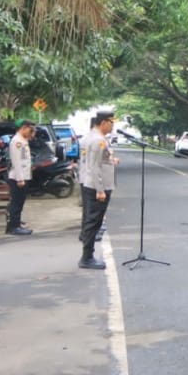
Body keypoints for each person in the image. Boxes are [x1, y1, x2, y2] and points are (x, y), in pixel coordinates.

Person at [78, 111, 119, 270]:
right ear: (103, 122)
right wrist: (100, 189)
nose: (113, 126)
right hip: (97, 187)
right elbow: (94, 167)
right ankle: (87, 257)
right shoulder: (98, 140)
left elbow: (99, 162)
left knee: (93, 221)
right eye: (111, 122)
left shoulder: (95, 137)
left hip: (95, 185)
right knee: (93, 222)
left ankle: (88, 256)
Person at [5, 120, 36, 236]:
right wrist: (20, 179)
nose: (31, 132)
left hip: (23, 176)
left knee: (20, 202)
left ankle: (16, 223)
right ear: (23, 128)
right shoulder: (17, 141)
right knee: (16, 203)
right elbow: (16, 162)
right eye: (30, 129)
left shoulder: (23, 140)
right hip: (18, 177)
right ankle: (13, 227)